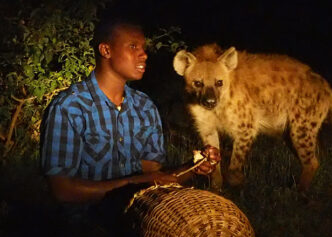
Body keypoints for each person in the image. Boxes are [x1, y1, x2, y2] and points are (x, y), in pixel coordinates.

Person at [40, 16, 221, 205]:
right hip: (84, 226)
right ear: (106, 50)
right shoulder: (70, 107)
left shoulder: (145, 107)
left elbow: (153, 178)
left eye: (143, 48)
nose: (144, 54)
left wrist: (193, 167)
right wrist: (132, 182)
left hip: (137, 220)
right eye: (133, 46)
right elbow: (62, 191)